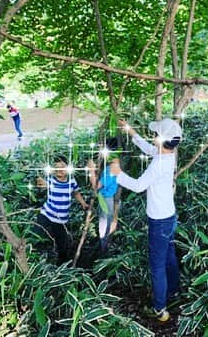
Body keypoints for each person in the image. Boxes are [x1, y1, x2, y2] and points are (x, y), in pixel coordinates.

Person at [110, 118, 182, 322]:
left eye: (156, 134)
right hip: (169, 217)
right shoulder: (169, 155)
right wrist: (131, 132)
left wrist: (118, 174)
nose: (153, 136)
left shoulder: (158, 164)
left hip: (158, 221)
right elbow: (150, 149)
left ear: (161, 139)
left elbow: (138, 186)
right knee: (169, 254)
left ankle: (160, 309)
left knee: (157, 265)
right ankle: (174, 291)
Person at [35, 155, 88, 263]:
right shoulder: (50, 180)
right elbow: (41, 184)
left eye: (63, 167)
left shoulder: (71, 182)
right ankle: (36, 257)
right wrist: (40, 182)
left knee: (62, 245)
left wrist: (83, 203)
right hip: (46, 214)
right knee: (37, 235)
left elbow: (76, 192)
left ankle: (61, 265)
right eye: (57, 167)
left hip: (61, 220)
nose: (60, 170)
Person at [87, 138, 120, 252]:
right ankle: (105, 248)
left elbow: (96, 187)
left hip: (107, 199)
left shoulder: (111, 168)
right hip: (107, 198)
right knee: (106, 224)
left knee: (104, 226)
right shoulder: (113, 165)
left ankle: (104, 250)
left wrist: (91, 170)